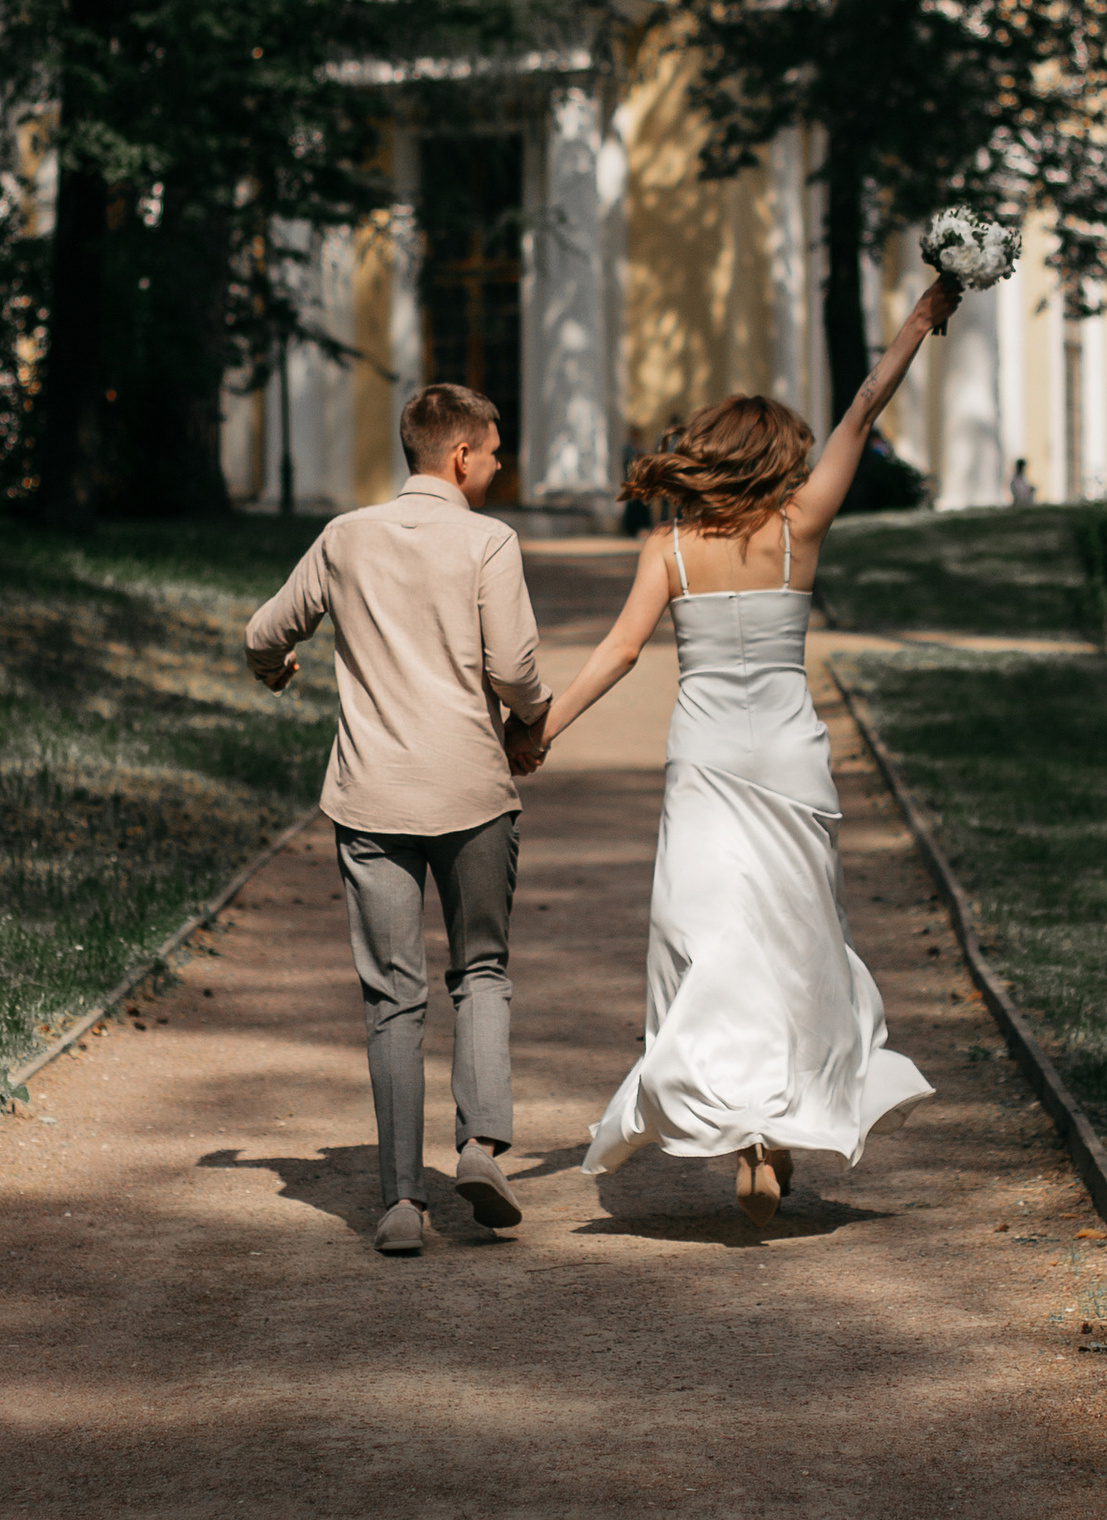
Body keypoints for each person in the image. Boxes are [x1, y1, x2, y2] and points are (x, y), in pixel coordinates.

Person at [537, 278, 959, 1232]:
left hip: (707, 763)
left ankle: (739, 1125)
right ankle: (773, 1132)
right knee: (793, 941)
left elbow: (615, 653)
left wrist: (544, 728)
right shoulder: (797, 529)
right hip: (789, 761)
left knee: (706, 940)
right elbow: (866, 403)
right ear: (776, 460)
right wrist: (922, 317)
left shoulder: (670, 550)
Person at [244, 382, 552, 1257]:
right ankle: (482, 1146)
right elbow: (517, 669)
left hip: (371, 797)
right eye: (493, 452)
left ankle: (401, 1206)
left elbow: (265, 632)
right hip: (470, 793)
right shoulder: (489, 540)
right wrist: (531, 719)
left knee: (392, 998)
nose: (498, 465)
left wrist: (278, 668)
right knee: (482, 970)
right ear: (461, 456)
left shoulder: (345, 537)